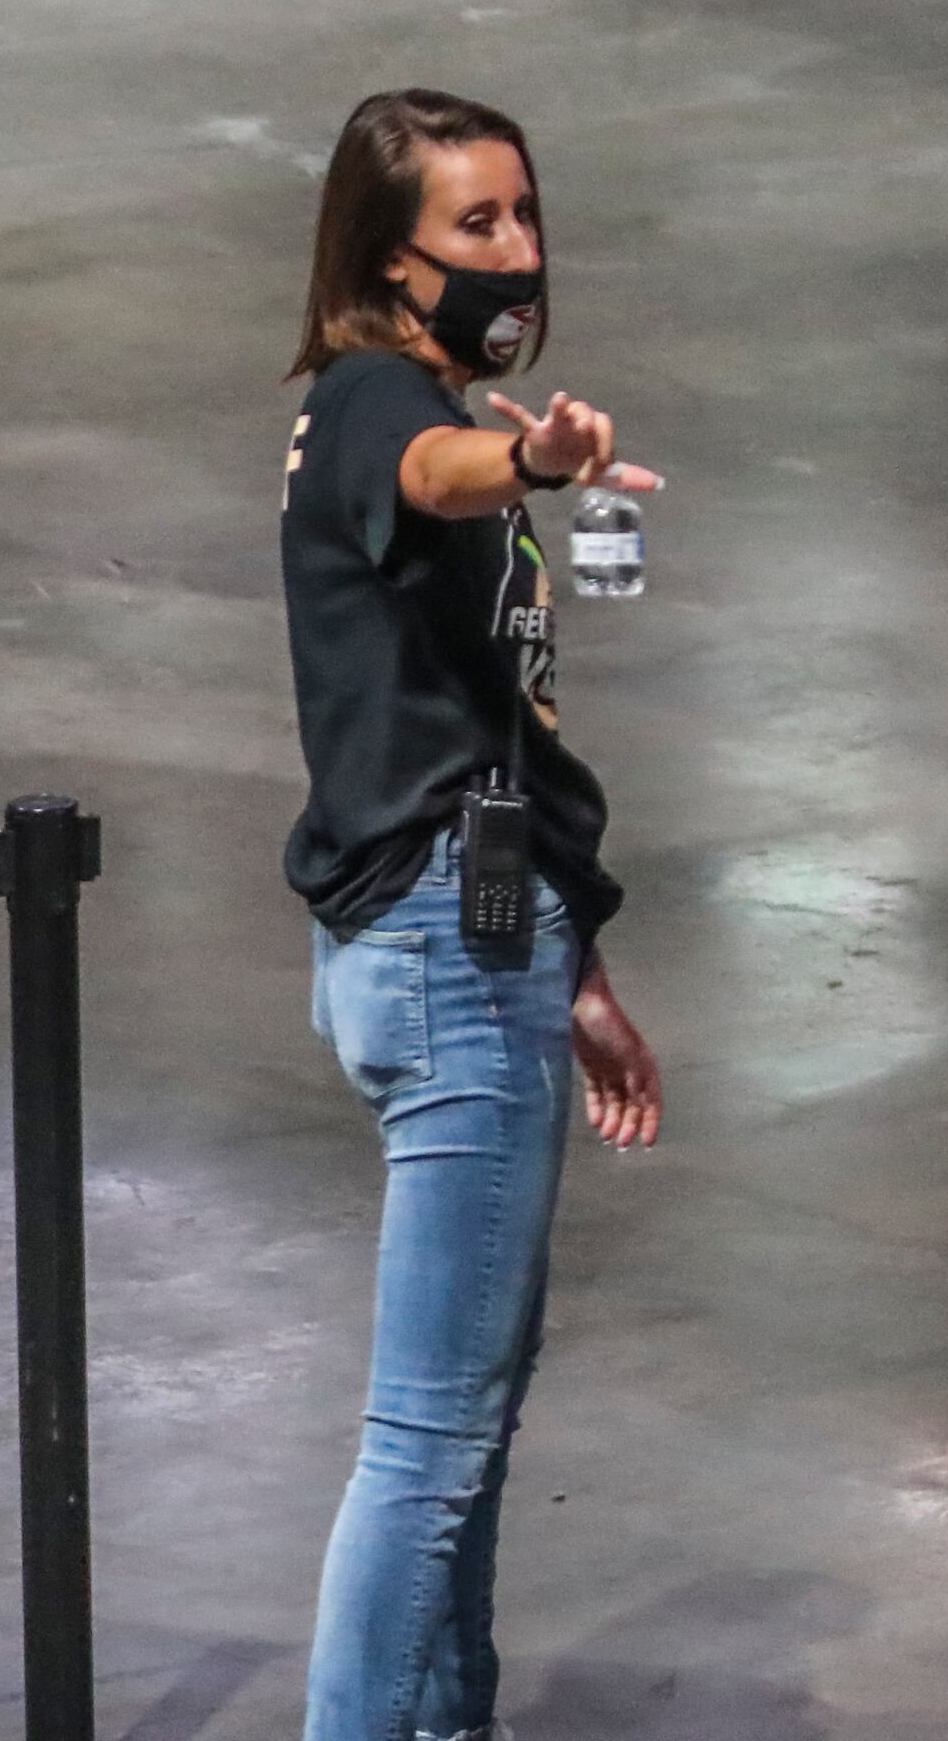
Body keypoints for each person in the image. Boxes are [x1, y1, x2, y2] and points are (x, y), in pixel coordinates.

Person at [276, 89, 667, 1741]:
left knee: (469, 1427)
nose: (519, 254)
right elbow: (439, 473)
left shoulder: (399, 392)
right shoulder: (378, 401)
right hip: (443, 947)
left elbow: (479, 723)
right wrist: (531, 458)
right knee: (431, 1437)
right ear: (387, 258)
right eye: (478, 227)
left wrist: (571, 963)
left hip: (473, 938)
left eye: (528, 215)